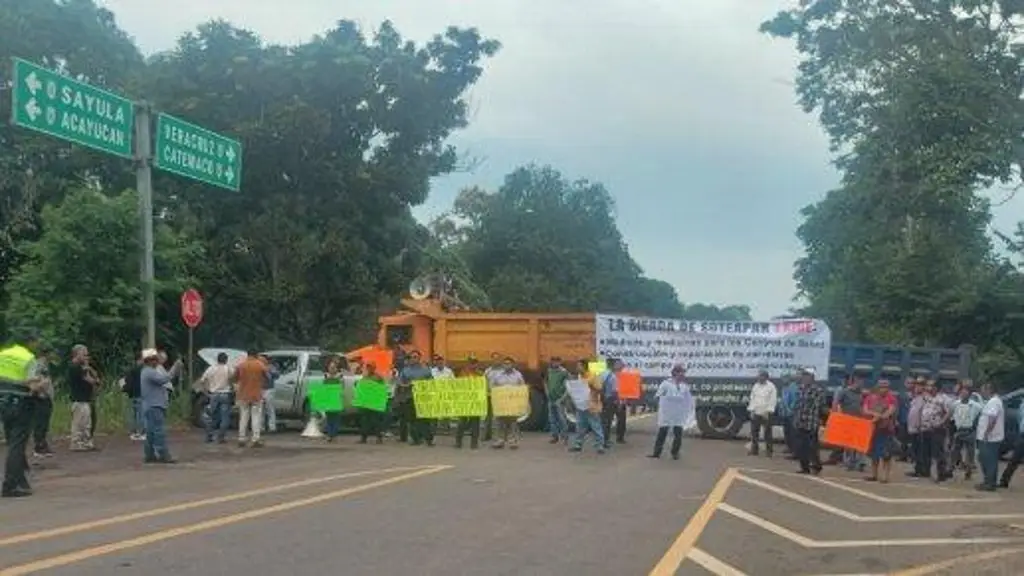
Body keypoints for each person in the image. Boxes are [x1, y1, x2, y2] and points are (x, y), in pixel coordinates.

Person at [0, 334, 45, 498]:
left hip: (3, 402)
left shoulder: (3, 355)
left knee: (12, 440)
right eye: (36, 342)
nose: (37, 345)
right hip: (21, 403)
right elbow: (33, 387)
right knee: (17, 444)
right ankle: (10, 484)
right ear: (30, 343)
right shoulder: (28, 359)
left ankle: (20, 479)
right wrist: (42, 385)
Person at [649, 364, 694, 460]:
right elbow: (658, 395)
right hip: (666, 413)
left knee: (678, 433)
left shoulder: (684, 386)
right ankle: (656, 453)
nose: (683, 375)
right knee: (663, 432)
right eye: (681, 373)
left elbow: (689, 400)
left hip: (679, 414)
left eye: (683, 373)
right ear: (675, 373)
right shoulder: (666, 384)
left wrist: (689, 410)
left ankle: (675, 453)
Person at [139, 348, 175, 464]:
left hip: (151, 405)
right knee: (158, 431)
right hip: (154, 405)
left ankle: (149, 454)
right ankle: (163, 454)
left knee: (151, 432)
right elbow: (164, 379)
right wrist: (175, 369)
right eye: (154, 359)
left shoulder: (146, 371)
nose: (157, 362)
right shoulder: (149, 372)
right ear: (148, 361)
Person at [792, 367, 826, 475]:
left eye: (807, 376)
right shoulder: (800, 389)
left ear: (812, 378)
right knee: (800, 446)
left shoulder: (817, 390)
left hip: (811, 422)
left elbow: (817, 406)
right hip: (800, 421)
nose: (804, 378)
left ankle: (816, 466)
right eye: (803, 376)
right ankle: (804, 467)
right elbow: (798, 405)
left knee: (812, 447)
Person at [863, 380, 897, 483]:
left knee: (886, 454)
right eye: (881, 387)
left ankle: (885, 477)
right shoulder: (870, 397)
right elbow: (865, 410)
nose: (883, 389)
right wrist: (875, 414)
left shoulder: (891, 398)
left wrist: (880, 416)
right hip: (873, 429)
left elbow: (891, 410)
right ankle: (874, 474)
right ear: (877, 387)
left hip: (886, 430)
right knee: (874, 453)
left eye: (885, 387)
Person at [398, 351, 434, 446]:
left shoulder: (426, 370)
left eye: (416, 357)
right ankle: (416, 439)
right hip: (410, 397)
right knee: (412, 420)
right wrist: (408, 385)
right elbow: (400, 383)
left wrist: (425, 387)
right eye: (412, 357)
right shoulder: (405, 371)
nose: (414, 359)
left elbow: (432, 382)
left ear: (419, 358)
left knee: (425, 419)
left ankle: (428, 439)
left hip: (423, 397)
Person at [569, 360, 605, 454]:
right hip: (581, 405)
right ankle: (578, 445)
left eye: (579, 366)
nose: (577, 368)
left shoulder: (593, 376)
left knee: (595, 426)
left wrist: (589, 385)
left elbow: (599, 388)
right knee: (580, 426)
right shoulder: (579, 377)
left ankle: (600, 446)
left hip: (591, 405)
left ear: (584, 366)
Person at [919, 380, 952, 482]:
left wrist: (941, 422)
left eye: (930, 385)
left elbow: (949, 412)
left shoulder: (943, 399)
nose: (928, 387)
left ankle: (940, 473)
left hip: (937, 429)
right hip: (926, 428)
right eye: (928, 385)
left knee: (937, 452)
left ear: (936, 387)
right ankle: (928, 472)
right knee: (927, 451)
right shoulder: (927, 397)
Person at [489, 356, 526, 449]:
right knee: (499, 422)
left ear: (513, 364)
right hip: (501, 403)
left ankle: (512, 441)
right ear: (503, 365)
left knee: (512, 422)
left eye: (509, 363)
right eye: (505, 364)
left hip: (512, 404)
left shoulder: (518, 375)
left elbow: (522, 387)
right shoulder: (497, 375)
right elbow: (492, 387)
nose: (507, 365)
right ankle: (499, 440)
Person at [234, 351, 267, 447]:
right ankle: (255, 439)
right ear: (256, 355)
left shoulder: (241, 365)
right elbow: (267, 376)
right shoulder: (260, 365)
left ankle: (241, 438)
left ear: (247, 355)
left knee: (243, 417)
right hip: (256, 395)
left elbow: (235, 378)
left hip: (243, 395)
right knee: (256, 417)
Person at [975, 382, 1005, 492]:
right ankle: (988, 481)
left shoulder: (994, 402)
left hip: (990, 438)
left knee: (988, 460)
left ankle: (990, 483)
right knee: (985, 459)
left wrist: (986, 434)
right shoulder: (992, 401)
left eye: (983, 390)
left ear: (989, 390)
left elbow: (992, 419)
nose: (982, 392)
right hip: (988, 437)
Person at [833, 375, 866, 471]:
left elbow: (864, 406)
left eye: (862, 382)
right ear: (854, 382)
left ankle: (861, 463)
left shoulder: (861, 394)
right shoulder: (844, 392)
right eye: (859, 382)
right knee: (848, 444)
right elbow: (836, 403)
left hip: (859, 421)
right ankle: (849, 463)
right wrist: (835, 417)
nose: (861, 384)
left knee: (859, 443)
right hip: (847, 420)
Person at [68, 344, 97, 451]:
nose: (86, 356)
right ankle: (76, 443)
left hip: (85, 398)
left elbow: (95, 378)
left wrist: (88, 367)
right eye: (83, 354)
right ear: (77, 354)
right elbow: (90, 380)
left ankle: (85, 442)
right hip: (78, 398)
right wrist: (87, 368)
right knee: (79, 423)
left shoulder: (83, 367)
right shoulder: (74, 367)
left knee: (86, 423)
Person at [950, 384, 982, 480]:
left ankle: (969, 471)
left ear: (969, 394)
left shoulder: (975, 405)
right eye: (962, 392)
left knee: (970, 453)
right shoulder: (956, 404)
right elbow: (950, 414)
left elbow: (981, 414)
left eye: (965, 392)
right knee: (954, 451)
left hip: (970, 431)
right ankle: (950, 469)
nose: (963, 394)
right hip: (959, 430)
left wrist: (975, 425)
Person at [200, 352, 234, 444]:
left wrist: (206, 392)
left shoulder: (211, 368)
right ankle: (221, 437)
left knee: (211, 416)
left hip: (213, 395)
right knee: (224, 417)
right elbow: (233, 379)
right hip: (225, 394)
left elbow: (202, 380)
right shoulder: (228, 369)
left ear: (217, 359)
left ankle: (209, 436)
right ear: (226, 360)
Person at [455, 355, 484, 449]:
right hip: (464, 401)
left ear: (477, 364)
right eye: (471, 362)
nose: (473, 365)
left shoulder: (480, 374)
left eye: (474, 363)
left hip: (475, 402)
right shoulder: (462, 373)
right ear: (468, 363)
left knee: (475, 423)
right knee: (461, 422)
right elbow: (457, 386)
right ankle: (458, 442)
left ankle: (474, 443)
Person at [30, 344, 55, 458]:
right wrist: (41, 390)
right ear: (47, 354)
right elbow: (36, 380)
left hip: (46, 396)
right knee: (40, 422)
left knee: (44, 423)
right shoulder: (39, 364)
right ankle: (38, 447)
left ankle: (43, 444)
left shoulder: (45, 364)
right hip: (41, 396)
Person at [747, 370, 777, 457]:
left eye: (761, 376)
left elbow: (773, 400)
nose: (759, 378)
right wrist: (751, 410)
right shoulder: (756, 386)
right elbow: (752, 398)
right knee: (754, 433)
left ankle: (769, 451)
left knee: (767, 433)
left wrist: (768, 412)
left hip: (766, 413)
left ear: (766, 377)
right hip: (756, 412)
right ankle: (754, 450)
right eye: (759, 376)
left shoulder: (771, 387)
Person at [356, 362, 387, 444]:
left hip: (375, 401)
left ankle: (379, 438)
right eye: (368, 367)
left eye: (371, 367)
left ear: (374, 368)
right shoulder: (365, 377)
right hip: (366, 401)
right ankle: (363, 438)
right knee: (365, 420)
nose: (369, 369)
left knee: (375, 420)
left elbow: (383, 387)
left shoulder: (378, 377)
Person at [544, 356, 570, 444]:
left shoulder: (564, 372)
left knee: (562, 419)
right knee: (552, 419)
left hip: (560, 399)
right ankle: (554, 436)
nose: (555, 363)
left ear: (560, 362)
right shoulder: (549, 371)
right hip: (551, 399)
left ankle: (565, 437)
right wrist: (546, 391)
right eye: (553, 361)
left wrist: (562, 398)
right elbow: (545, 382)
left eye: (557, 361)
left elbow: (568, 386)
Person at [998, 400, 1024, 488]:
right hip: (1022, 435)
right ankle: (1004, 481)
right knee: (1014, 459)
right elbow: (1019, 418)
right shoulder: (1023, 405)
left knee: (1014, 460)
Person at [121, 357, 145, 441]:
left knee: (133, 414)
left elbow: (127, 382)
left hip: (132, 395)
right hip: (140, 394)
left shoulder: (131, 370)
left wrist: (125, 390)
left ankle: (133, 432)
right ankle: (141, 432)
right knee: (140, 414)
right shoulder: (143, 370)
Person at [779, 375, 800, 455]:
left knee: (793, 433)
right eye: (783, 378)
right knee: (786, 431)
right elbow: (783, 400)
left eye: (785, 378)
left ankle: (794, 450)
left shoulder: (793, 387)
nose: (784, 380)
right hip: (784, 413)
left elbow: (795, 400)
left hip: (791, 413)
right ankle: (789, 447)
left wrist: (791, 410)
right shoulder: (784, 388)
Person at [260, 354, 279, 434]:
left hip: (269, 389)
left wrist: (270, 371)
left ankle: (272, 427)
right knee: (261, 410)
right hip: (260, 389)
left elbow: (277, 375)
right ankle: (261, 427)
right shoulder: (258, 366)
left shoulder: (271, 367)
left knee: (269, 409)